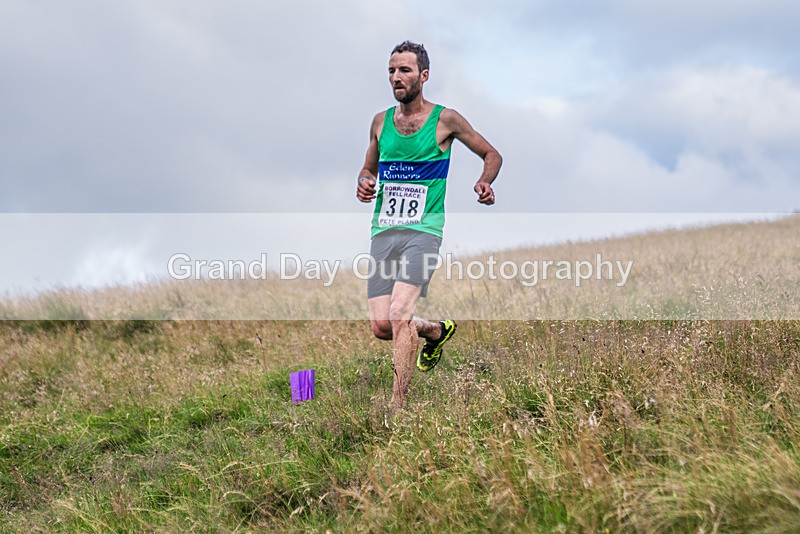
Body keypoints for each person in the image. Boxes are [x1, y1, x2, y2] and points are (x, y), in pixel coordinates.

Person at [356, 41, 502, 408]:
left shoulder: (445, 120)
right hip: (384, 231)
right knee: (382, 326)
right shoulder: (380, 122)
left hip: (424, 230)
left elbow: (491, 153)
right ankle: (434, 331)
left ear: (423, 76)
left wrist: (486, 182)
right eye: (391, 70)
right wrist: (364, 182)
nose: (396, 77)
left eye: (404, 70)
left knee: (399, 313)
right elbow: (368, 168)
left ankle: (397, 405)